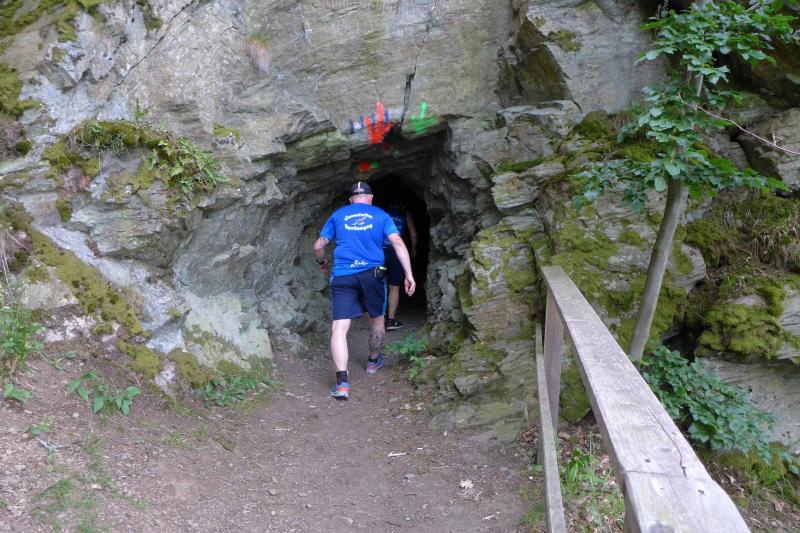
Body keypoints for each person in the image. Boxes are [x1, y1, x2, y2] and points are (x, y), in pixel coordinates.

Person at [313, 182, 416, 400]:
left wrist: (322, 262)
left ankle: (342, 383)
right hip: (373, 274)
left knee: (339, 327)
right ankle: (373, 361)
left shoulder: (338, 215)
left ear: (351, 200)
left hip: (343, 274)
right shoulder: (381, 215)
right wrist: (408, 274)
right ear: (370, 198)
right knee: (377, 321)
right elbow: (397, 243)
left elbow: (318, 246)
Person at [382, 200, 418, 331]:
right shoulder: (405, 213)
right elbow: (413, 233)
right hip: (397, 253)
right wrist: (414, 248)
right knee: (394, 287)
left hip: (381, 252)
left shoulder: (382, 212)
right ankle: (391, 320)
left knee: (380, 284)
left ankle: (379, 318)